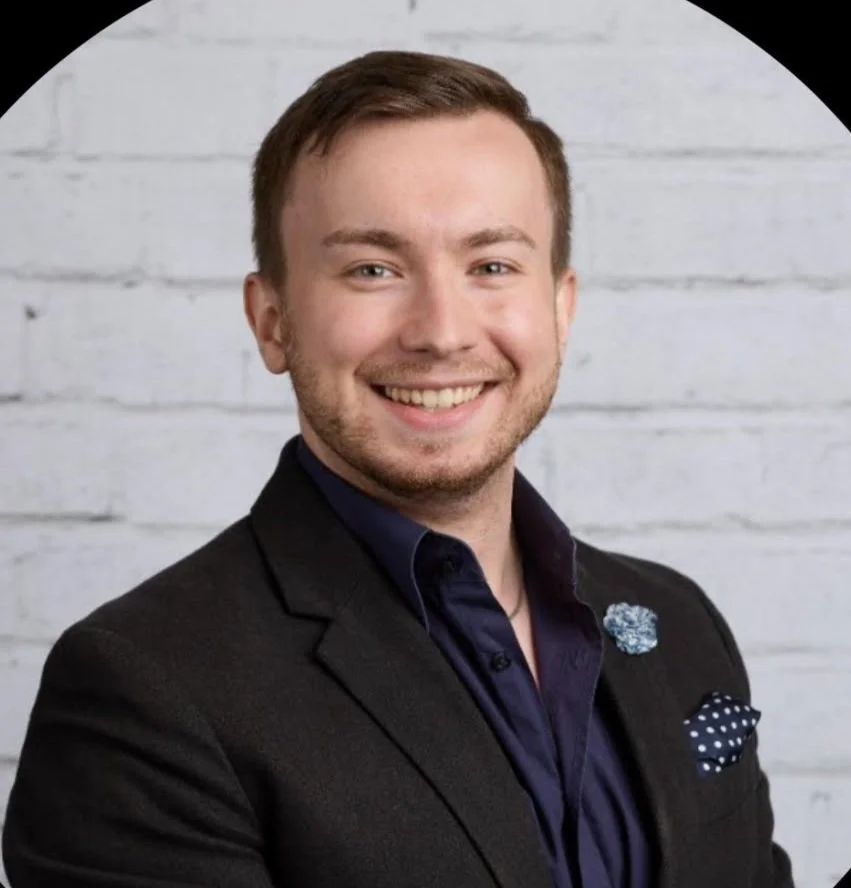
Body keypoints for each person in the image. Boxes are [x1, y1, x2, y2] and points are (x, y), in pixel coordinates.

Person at [2, 49, 793, 888]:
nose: (441, 331)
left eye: (491, 265)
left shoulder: (678, 622)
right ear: (271, 322)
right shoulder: (147, 686)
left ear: (559, 307)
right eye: (372, 269)